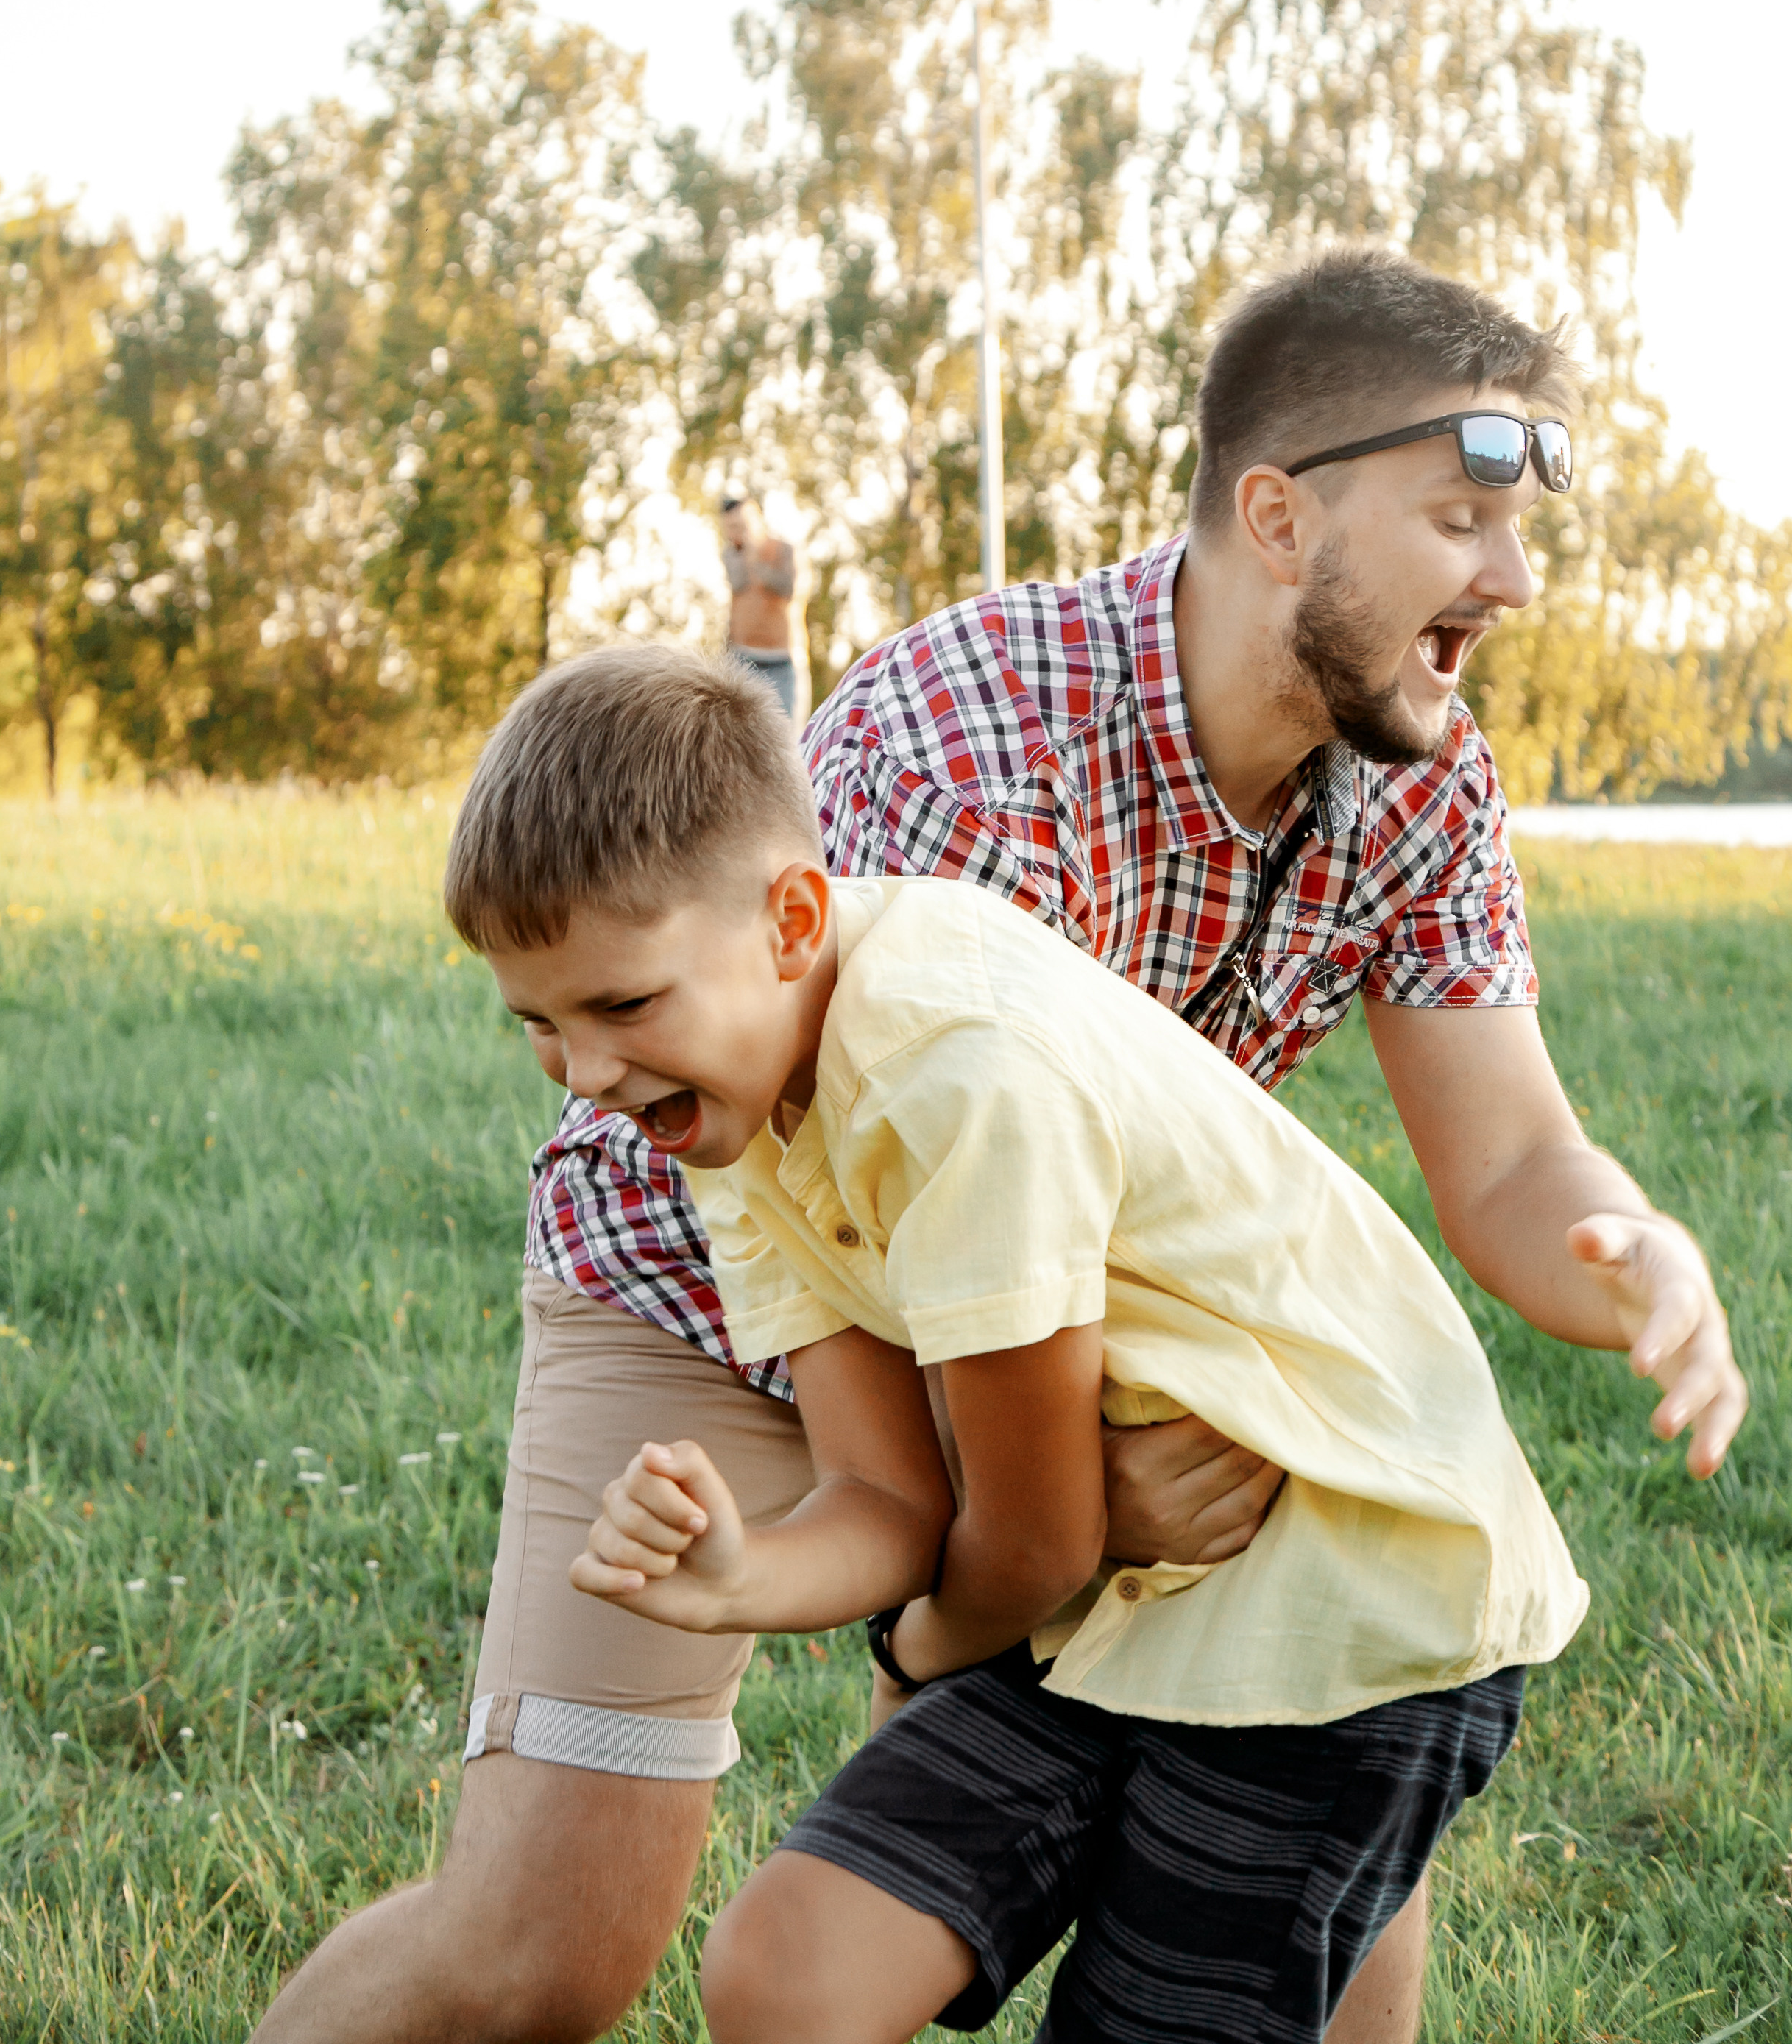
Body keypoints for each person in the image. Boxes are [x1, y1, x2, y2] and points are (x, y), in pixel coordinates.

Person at [251, 245, 1745, 2044]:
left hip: (1044, 1343)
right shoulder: (977, 744)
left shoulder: (1421, 772)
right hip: (720, 1266)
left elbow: (1512, 1167)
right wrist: (1022, 1547)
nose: (1509, 578)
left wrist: (1637, 1246)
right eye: (1458, 519)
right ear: (1277, 514)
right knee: (538, 1952)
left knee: (1329, 1791)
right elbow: (891, 1291)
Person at [518, 642, 1587, 2040]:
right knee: (793, 1967)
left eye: (620, 1005)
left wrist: (910, 1653)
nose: (586, 1075)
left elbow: (1030, 1540)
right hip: (1108, 1588)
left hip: (1334, 1604)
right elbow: (893, 1493)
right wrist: (742, 1573)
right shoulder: (718, 1090)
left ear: (789, 921)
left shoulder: (953, 1066)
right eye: (537, 1020)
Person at [721, 490, 807, 726]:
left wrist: (755, 555)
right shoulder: (731, 554)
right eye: (730, 528)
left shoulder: (785, 550)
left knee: (786, 736)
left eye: (740, 526)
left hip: (782, 660)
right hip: (743, 659)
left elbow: (789, 591)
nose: (735, 534)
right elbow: (738, 585)